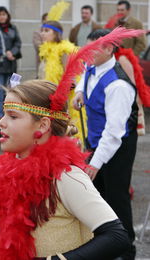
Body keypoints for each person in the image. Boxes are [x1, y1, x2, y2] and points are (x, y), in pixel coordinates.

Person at [0, 79, 130, 260]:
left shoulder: (66, 177)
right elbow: (13, 226)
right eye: (3, 114)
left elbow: (116, 237)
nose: (1, 122)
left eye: (12, 116)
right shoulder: (14, 170)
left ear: (43, 125)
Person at [73, 28, 143, 260]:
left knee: (116, 196)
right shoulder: (93, 64)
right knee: (97, 195)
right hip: (96, 140)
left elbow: (114, 133)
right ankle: (105, 243)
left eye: (94, 48)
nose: (88, 53)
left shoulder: (118, 85)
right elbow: (86, 74)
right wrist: (80, 92)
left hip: (118, 145)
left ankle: (126, 250)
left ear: (109, 48)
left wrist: (96, 162)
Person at [0, 6, 21, 118]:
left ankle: (12, 114)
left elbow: (18, 44)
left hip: (11, 65)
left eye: (3, 14)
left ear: (7, 16)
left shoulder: (13, 28)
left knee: (13, 90)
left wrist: (13, 52)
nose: (1, 17)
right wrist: (4, 53)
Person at [33, 13, 47, 77]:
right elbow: (38, 46)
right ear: (43, 21)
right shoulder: (37, 32)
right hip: (41, 63)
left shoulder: (55, 34)